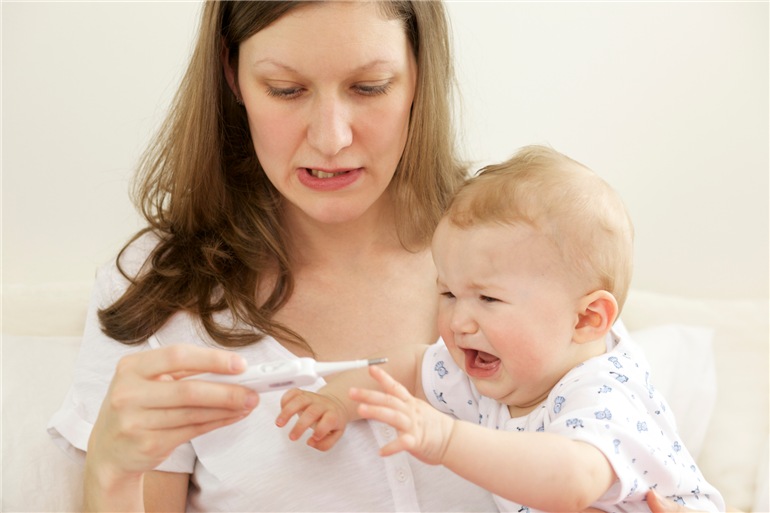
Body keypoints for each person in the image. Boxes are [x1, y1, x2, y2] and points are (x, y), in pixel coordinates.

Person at [46, 1, 705, 512]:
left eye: (368, 87)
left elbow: (634, 451)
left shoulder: (529, 244)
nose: (331, 138)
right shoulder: (159, 296)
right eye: (286, 89)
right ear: (232, 74)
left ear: (417, 71)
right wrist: (110, 467)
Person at [276, 146, 726, 513]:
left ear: (587, 319)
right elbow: (412, 366)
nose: (458, 321)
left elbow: (567, 483)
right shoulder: (496, 376)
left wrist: (446, 438)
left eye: (488, 299)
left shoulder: (604, 392)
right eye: (448, 294)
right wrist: (336, 400)